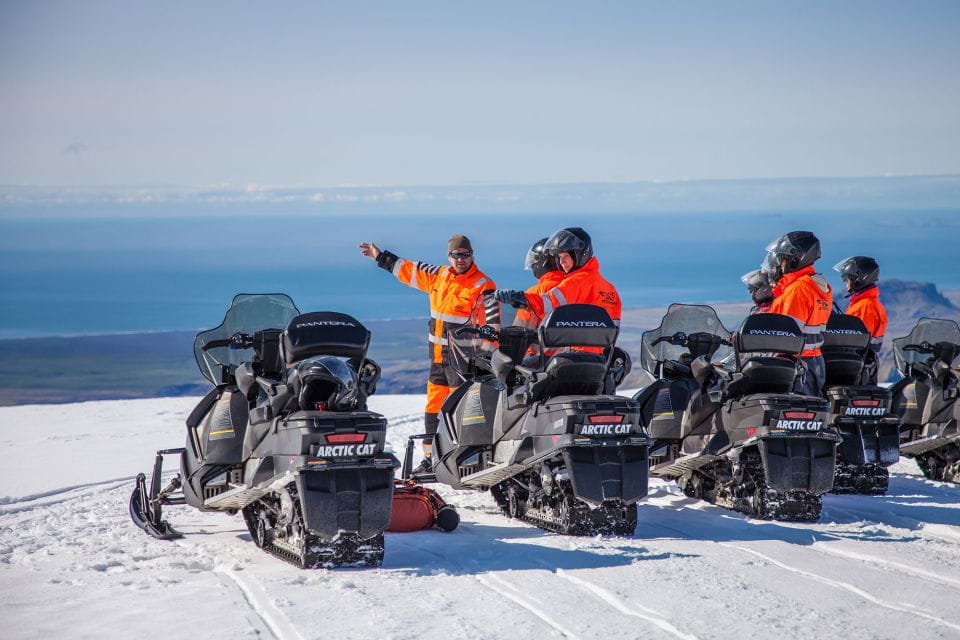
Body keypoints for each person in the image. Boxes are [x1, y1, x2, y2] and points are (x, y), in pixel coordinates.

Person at [358, 235, 499, 471]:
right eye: (456, 255)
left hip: (463, 363)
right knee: (433, 408)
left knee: (461, 410)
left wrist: (486, 361)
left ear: (472, 255)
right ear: (449, 256)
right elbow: (409, 269)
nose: (460, 259)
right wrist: (380, 257)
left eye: (465, 255)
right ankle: (430, 459)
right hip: (437, 359)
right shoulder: (438, 275)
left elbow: (493, 328)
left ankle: (465, 459)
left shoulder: (484, 285)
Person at [495, 227, 622, 329]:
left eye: (566, 256)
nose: (561, 262)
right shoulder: (610, 289)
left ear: (579, 255)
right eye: (559, 258)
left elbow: (547, 303)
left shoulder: (575, 283)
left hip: (574, 350)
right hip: (601, 353)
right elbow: (613, 329)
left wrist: (516, 297)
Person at [762, 231, 833, 396]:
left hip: (794, 363)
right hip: (814, 361)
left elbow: (786, 334)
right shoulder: (818, 286)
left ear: (795, 259)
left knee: (791, 408)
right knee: (810, 407)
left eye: (783, 258)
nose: (780, 264)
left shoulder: (798, 289)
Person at [834, 255, 887, 384]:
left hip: (858, 365)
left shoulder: (865, 307)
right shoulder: (866, 303)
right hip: (865, 363)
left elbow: (856, 342)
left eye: (847, 278)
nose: (845, 283)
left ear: (858, 279)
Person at [512, 237, 564, 332]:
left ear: (545, 261)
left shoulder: (534, 293)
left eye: (536, 259)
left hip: (541, 342)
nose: (533, 265)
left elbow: (520, 331)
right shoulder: (576, 287)